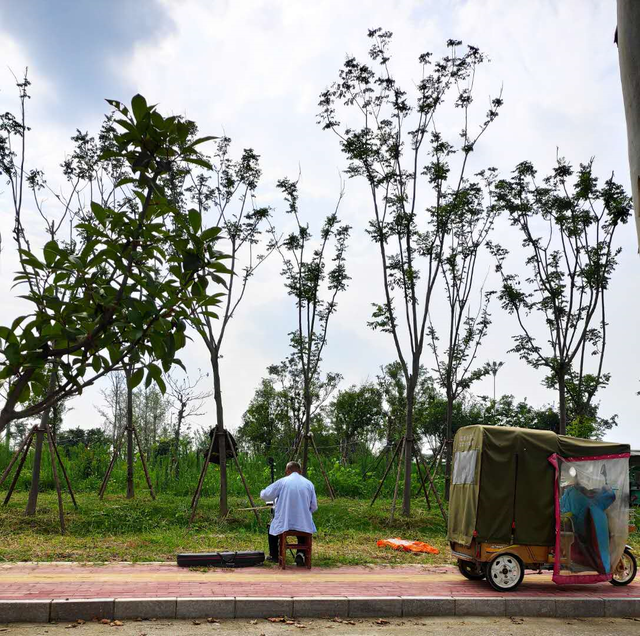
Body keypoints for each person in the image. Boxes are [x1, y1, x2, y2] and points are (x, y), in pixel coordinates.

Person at [259, 460, 318, 566]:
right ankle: (301, 553)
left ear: (287, 471)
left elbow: (266, 495)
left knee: (272, 528)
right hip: (303, 522)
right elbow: (314, 506)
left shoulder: (282, 482)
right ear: (300, 471)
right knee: (303, 525)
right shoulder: (309, 484)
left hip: (284, 521)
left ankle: (274, 556)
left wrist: (262, 492)